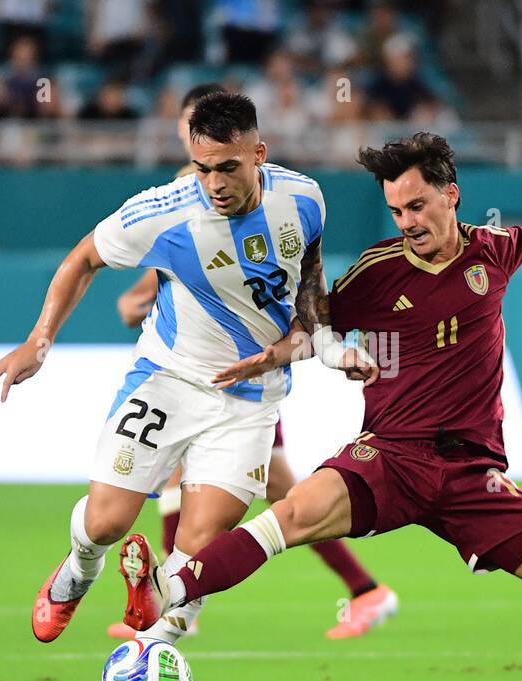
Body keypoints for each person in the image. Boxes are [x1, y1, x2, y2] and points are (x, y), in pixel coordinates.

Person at [119, 133, 522, 681]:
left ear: (451, 196)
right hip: (388, 457)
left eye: (417, 206)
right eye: (396, 210)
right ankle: (167, 589)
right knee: (288, 517)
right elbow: (313, 328)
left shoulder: (494, 252)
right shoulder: (377, 271)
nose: (407, 222)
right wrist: (282, 355)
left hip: (472, 475)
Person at [0, 91, 374, 681]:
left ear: (259, 154)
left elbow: (309, 287)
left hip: (250, 405)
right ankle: (79, 569)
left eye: (227, 167)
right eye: (201, 167)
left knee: (195, 560)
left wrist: (327, 346)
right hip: (167, 380)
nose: (214, 182)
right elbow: (82, 259)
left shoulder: (303, 199)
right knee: (107, 523)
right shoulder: (161, 214)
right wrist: (39, 342)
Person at [111, 82, 397, 643]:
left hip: (246, 379)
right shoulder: (188, 191)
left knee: (286, 496)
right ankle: (175, 605)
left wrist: (138, 299)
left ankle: (364, 590)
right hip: (207, 370)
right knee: (220, 484)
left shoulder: (268, 196)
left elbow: (284, 278)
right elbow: (167, 273)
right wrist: (140, 298)